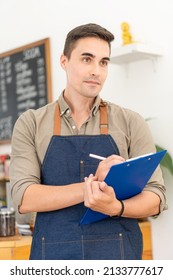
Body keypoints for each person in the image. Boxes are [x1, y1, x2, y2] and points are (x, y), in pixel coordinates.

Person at [10, 23, 167, 260]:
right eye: (87, 59)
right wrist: (90, 187)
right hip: (53, 257)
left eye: (103, 62)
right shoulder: (31, 123)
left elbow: (156, 197)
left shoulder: (131, 122)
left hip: (118, 258)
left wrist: (116, 207)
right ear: (64, 61)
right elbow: (23, 197)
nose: (96, 70)